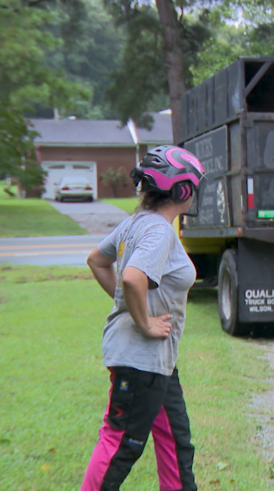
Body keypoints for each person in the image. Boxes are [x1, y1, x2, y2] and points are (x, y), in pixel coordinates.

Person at [81, 145, 205, 490]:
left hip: (160, 362)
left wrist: (130, 305)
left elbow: (97, 260)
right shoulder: (158, 231)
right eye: (193, 187)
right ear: (182, 190)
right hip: (141, 360)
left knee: (175, 442)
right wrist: (144, 321)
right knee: (122, 442)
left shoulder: (136, 223)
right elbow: (132, 278)